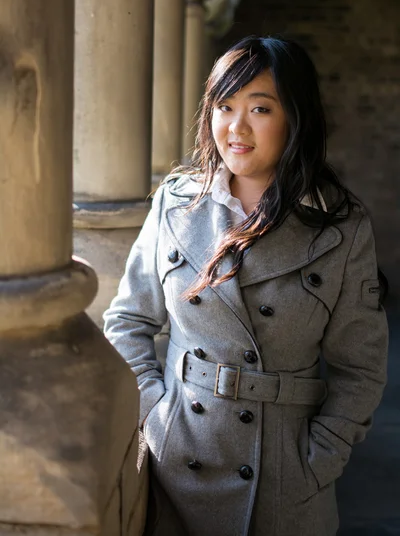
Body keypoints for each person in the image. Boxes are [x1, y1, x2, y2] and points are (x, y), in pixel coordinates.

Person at [103, 36, 388, 536]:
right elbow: (127, 321)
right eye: (224, 106)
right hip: (180, 458)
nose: (236, 127)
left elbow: (360, 368)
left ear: (294, 118)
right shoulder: (176, 204)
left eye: (260, 108)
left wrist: (319, 458)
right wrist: (154, 412)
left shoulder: (339, 227)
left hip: (287, 480)